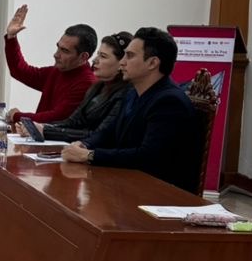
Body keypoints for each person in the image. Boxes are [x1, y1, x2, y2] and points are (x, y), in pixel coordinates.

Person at [61, 27, 201, 193]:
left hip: (161, 193)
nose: (122, 62)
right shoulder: (133, 93)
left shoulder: (169, 102)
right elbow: (109, 132)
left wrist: (90, 155)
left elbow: (147, 157)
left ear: (152, 63)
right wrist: (85, 144)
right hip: (131, 183)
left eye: (130, 55)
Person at [28, 30, 132, 142]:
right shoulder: (97, 87)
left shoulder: (124, 94)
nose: (95, 60)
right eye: (98, 54)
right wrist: (41, 127)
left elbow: (100, 135)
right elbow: (73, 121)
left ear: (121, 63)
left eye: (103, 56)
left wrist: (46, 131)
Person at [3, 4, 96, 123]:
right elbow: (20, 71)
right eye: (58, 47)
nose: (56, 54)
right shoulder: (58, 71)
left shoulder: (87, 83)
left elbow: (55, 117)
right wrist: (11, 37)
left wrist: (17, 116)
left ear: (83, 57)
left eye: (65, 51)